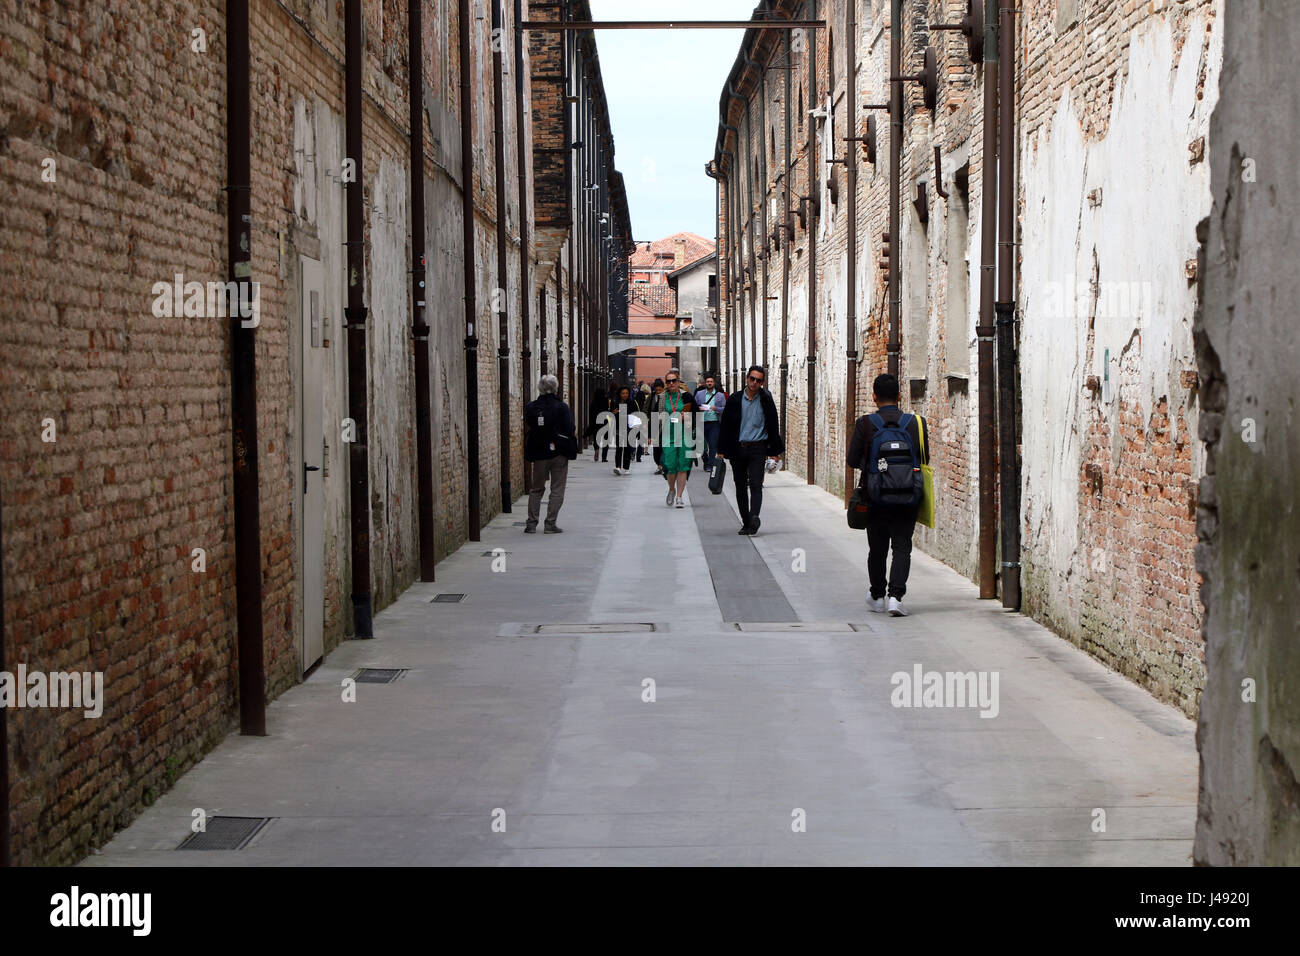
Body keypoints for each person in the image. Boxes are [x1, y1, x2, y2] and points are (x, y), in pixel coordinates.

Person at [846, 373, 930, 616]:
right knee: (902, 546)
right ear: (899, 395)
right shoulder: (916, 423)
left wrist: (876, 467)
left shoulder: (865, 423)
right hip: (907, 495)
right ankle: (896, 597)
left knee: (878, 547)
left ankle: (877, 595)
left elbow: (852, 460)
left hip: (876, 496)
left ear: (874, 396)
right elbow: (924, 459)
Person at [717, 364, 784, 535]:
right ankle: (746, 522)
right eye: (752, 379)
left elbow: (773, 425)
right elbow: (725, 425)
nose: (754, 383)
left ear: (762, 383)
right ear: (747, 379)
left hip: (758, 448)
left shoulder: (766, 400)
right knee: (740, 486)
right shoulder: (734, 399)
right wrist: (721, 449)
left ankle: (754, 517)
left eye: (758, 380)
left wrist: (774, 452)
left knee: (756, 484)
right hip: (738, 448)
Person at [523, 374, 576, 533]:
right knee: (557, 489)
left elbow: (529, 424)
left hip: (539, 451)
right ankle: (550, 524)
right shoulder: (561, 407)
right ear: (556, 388)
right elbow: (570, 428)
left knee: (536, 488)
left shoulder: (532, 407)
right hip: (558, 452)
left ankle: (531, 524)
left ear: (540, 387)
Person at [657, 368, 695, 508]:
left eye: (674, 380)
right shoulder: (661, 398)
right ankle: (671, 489)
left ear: (678, 382)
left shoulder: (687, 397)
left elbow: (696, 416)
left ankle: (679, 497)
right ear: (666, 383)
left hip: (685, 435)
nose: (671, 383)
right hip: (668, 435)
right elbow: (656, 416)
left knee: (683, 466)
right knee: (670, 466)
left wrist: (687, 417)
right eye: (669, 381)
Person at [694, 373, 725, 470]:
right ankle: (705, 457)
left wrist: (716, 408)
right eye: (708, 382)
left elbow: (725, 408)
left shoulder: (720, 395)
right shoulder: (699, 394)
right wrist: (699, 408)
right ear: (705, 383)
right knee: (702, 446)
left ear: (714, 383)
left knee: (712, 445)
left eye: (711, 382)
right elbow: (693, 407)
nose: (709, 383)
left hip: (714, 423)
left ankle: (710, 465)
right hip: (701, 422)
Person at [610, 383, 641, 475]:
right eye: (623, 393)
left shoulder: (632, 403)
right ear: (620, 394)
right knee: (619, 448)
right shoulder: (615, 403)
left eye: (626, 393)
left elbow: (636, 416)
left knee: (627, 448)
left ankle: (626, 467)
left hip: (629, 428)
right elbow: (610, 416)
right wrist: (613, 413)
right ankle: (618, 467)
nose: (625, 395)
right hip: (619, 428)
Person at [647, 378, 666, 474]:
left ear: (663, 389)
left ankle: (661, 466)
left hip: (665, 425)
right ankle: (659, 464)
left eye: (660, 390)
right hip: (654, 424)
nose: (658, 392)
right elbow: (646, 409)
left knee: (664, 447)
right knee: (656, 448)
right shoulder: (651, 397)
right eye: (656, 390)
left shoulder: (667, 397)